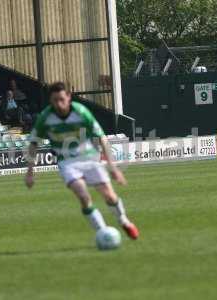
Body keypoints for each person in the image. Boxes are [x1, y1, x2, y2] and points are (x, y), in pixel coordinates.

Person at [25, 82, 139, 240]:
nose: (58, 103)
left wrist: (113, 167)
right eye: (54, 100)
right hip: (68, 163)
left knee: (110, 197)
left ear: (69, 97)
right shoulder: (45, 117)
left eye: (61, 99)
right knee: (84, 197)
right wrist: (30, 172)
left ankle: (123, 221)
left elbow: (102, 137)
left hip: (89, 158)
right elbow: (33, 143)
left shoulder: (81, 112)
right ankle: (103, 232)